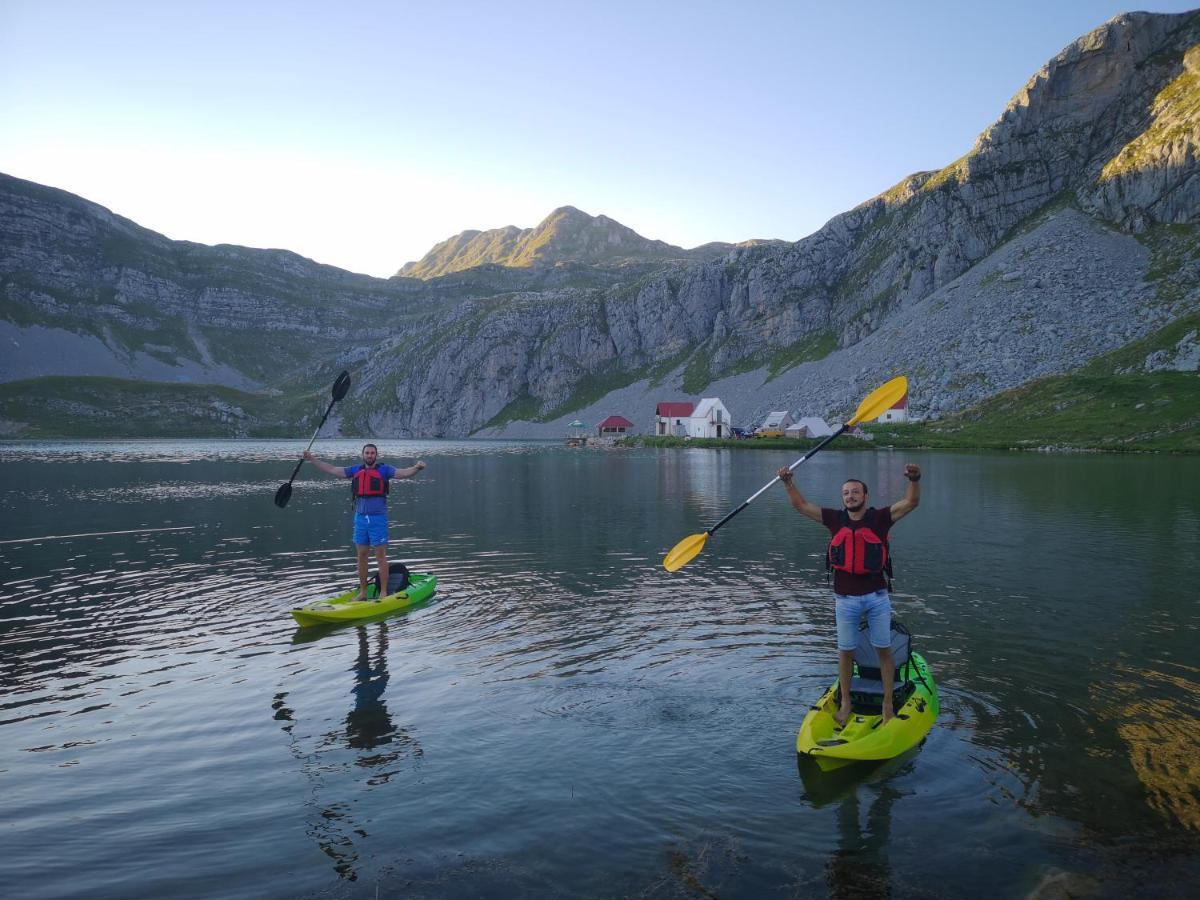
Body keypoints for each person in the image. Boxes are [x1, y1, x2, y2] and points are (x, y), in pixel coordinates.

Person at [777, 463, 921, 726]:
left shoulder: (881, 519)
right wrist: (788, 483)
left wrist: (914, 479)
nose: (850, 496)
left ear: (866, 496)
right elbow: (801, 505)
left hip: (877, 597)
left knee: (884, 650)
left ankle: (887, 705)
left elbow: (911, 502)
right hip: (845, 600)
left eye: (855, 492)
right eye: (846, 493)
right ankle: (845, 703)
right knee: (845, 652)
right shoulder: (834, 519)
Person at [305, 444, 426, 600]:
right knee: (361, 555)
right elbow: (332, 469)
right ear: (363, 455)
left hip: (378, 519)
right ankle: (363, 592)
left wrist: (417, 468)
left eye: (372, 453)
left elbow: (403, 473)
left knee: (380, 556)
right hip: (361, 518)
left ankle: (383, 592)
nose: (370, 455)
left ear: (376, 455)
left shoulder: (385, 470)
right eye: (367, 453)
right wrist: (312, 459)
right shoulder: (355, 470)